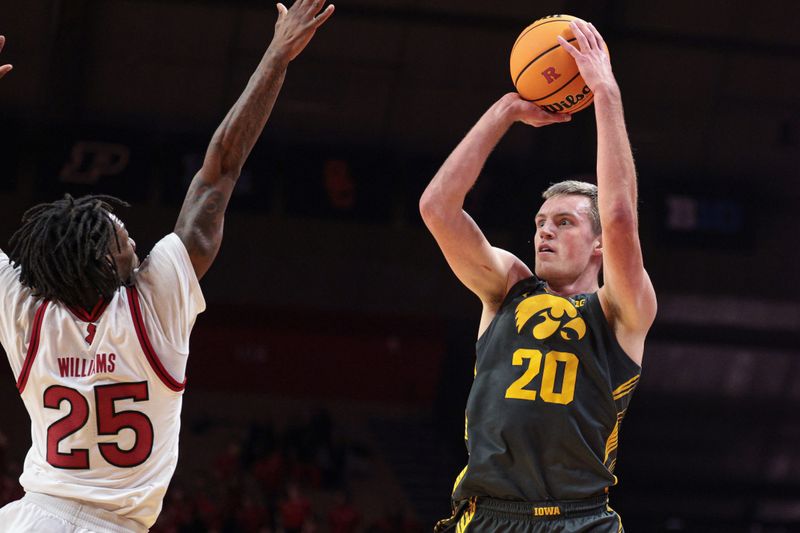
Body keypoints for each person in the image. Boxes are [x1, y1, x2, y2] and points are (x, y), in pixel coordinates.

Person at [0, 1, 334, 531]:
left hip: (29, 517)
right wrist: (276, 57)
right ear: (109, 265)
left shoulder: (24, 315)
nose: (133, 236)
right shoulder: (155, 302)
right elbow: (218, 171)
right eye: (121, 236)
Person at [420, 20, 656, 532]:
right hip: (488, 516)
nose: (544, 232)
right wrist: (505, 111)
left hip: (580, 520)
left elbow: (618, 218)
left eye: (564, 222)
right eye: (540, 223)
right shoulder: (506, 288)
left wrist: (605, 95)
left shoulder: (621, 311)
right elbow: (437, 208)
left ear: (598, 246)